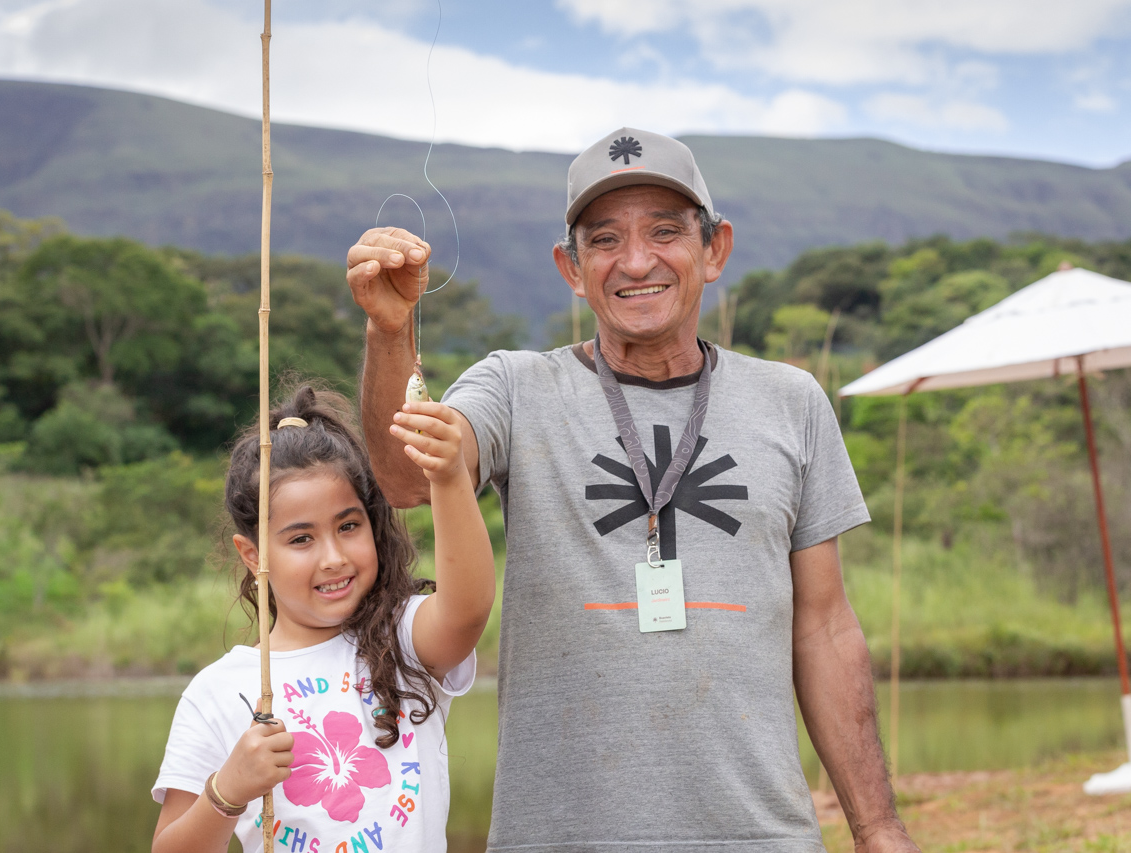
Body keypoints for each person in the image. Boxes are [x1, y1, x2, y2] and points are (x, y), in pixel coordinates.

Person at [346, 128, 919, 852]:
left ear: (715, 250)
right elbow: (406, 478)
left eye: (665, 232)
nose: (637, 260)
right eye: (605, 239)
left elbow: (826, 627)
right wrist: (389, 332)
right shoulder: (516, 387)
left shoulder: (792, 400)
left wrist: (878, 827)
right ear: (571, 267)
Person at [150, 383, 495, 853]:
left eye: (348, 526)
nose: (333, 558)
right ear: (253, 555)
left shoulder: (403, 638)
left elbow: (467, 610)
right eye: (301, 539)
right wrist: (226, 792)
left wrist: (449, 476)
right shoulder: (214, 693)